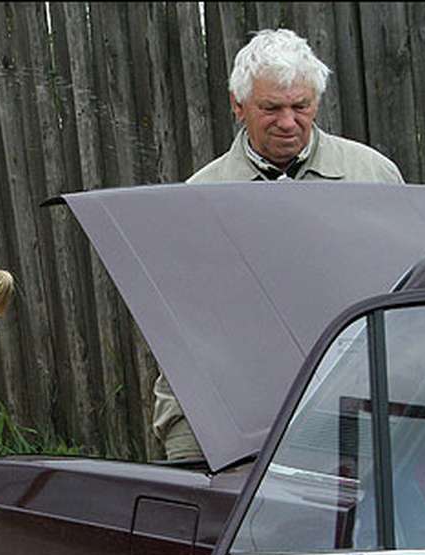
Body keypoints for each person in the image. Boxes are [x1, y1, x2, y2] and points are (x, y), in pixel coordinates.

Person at [153, 27, 405, 461]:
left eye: (300, 106)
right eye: (271, 108)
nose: (288, 122)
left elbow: (405, 299)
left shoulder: (374, 177)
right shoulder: (198, 198)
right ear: (238, 106)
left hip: (352, 404)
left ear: (317, 102)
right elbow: (182, 329)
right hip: (240, 413)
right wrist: (183, 435)